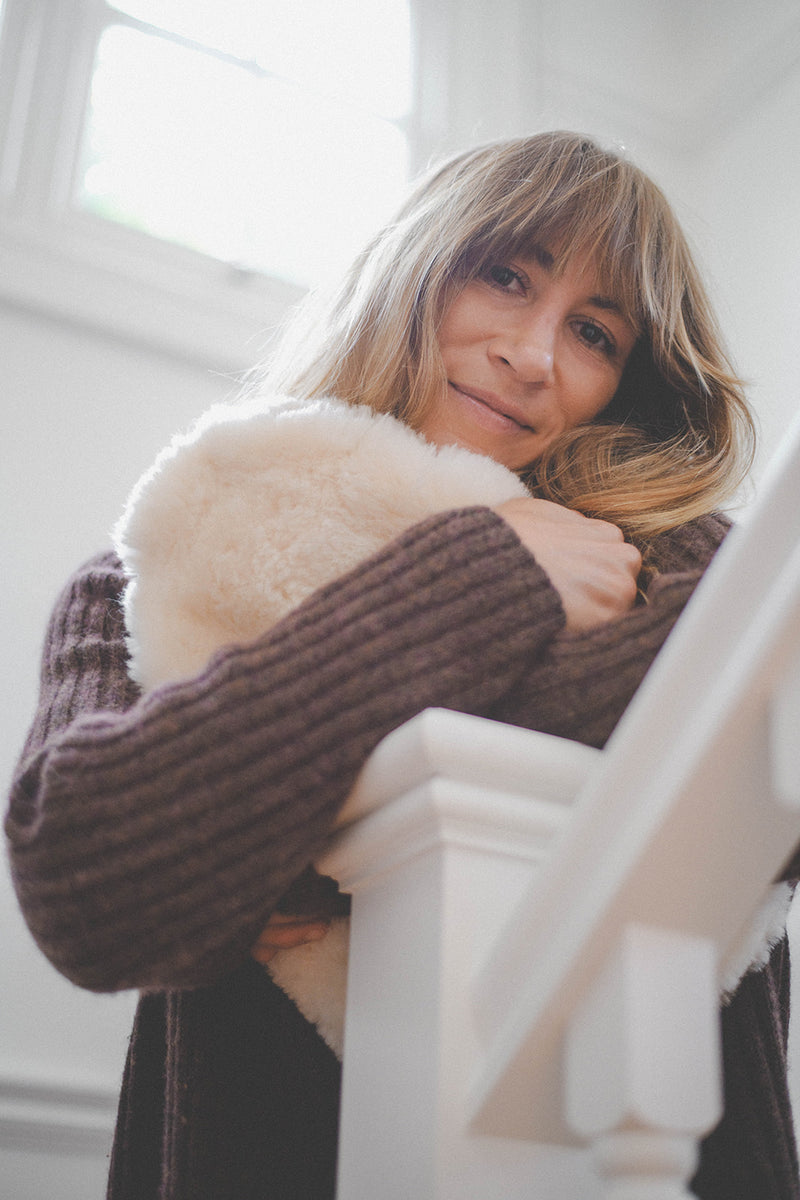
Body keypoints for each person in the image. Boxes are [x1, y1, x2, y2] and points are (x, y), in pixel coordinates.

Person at [4, 131, 797, 1200]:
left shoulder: (676, 569)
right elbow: (92, 880)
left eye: (594, 333)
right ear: (413, 264)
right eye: (504, 275)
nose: (532, 355)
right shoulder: (141, 577)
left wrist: (268, 837)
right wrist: (478, 580)